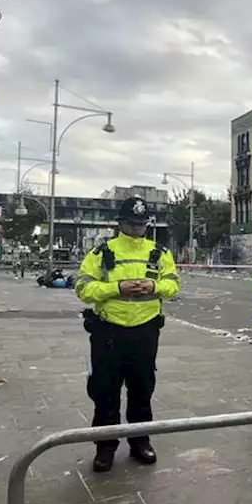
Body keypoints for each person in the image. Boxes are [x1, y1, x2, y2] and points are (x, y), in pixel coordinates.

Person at [75, 196, 180, 472]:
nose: (137, 229)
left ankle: (140, 442)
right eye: (132, 224)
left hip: (145, 332)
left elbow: (173, 285)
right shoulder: (102, 252)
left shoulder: (160, 252)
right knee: (105, 392)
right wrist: (117, 288)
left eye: (141, 224)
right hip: (108, 332)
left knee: (142, 390)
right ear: (120, 223)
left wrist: (154, 287)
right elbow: (83, 289)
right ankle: (105, 447)